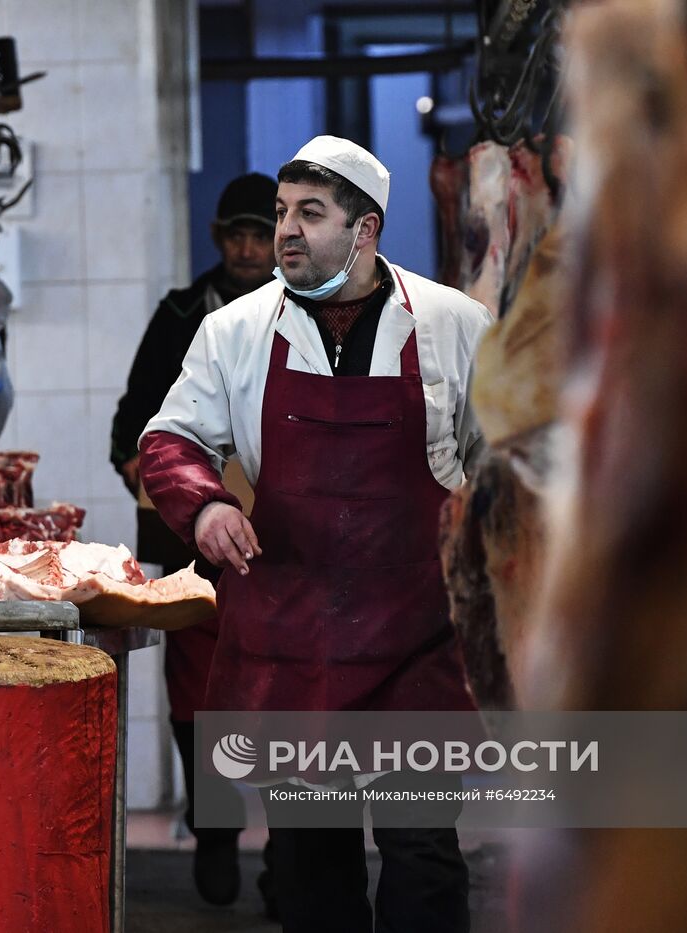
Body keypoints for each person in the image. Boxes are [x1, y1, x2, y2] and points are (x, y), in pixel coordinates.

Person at [138, 136, 490, 932]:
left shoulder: (453, 323)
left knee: (423, 855)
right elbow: (170, 439)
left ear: (365, 230)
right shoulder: (234, 330)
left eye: (310, 214)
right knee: (307, 865)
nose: (286, 231)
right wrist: (206, 506)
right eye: (282, 213)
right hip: (290, 645)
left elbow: (509, 460)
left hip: (417, 646)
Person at [109, 173, 279, 910]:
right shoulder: (183, 311)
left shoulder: (316, 313)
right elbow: (131, 422)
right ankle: (214, 826)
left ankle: (293, 854)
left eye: (258, 233)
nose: (247, 247)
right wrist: (155, 480)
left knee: (288, 695)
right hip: (197, 547)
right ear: (218, 240)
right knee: (201, 692)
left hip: (288, 546)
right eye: (235, 234)